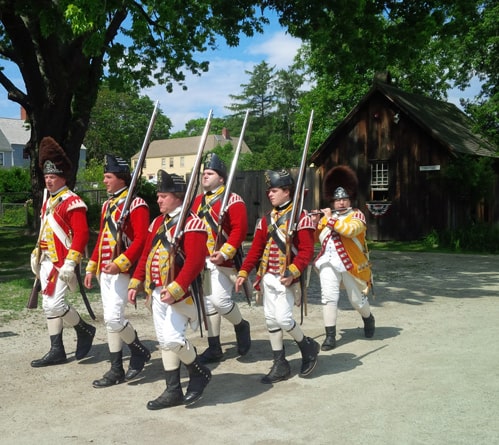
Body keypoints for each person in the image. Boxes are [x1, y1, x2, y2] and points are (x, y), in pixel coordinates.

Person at [128, 170, 211, 409]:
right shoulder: (157, 223)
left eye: (163, 195)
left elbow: (195, 261)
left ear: (177, 197)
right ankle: (172, 389)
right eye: (158, 195)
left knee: (174, 340)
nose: (159, 200)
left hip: (181, 294)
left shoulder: (193, 223)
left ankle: (199, 372)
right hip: (157, 292)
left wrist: (176, 288)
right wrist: (136, 281)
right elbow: (146, 254)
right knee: (165, 341)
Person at [235, 169, 319, 384]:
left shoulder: (301, 218)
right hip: (267, 277)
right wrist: (244, 272)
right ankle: (280, 363)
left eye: (273, 190)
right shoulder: (266, 220)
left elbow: (308, 251)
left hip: (287, 278)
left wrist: (293, 271)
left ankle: (306, 346)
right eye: (269, 191)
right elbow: (256, 249)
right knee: (271, 320)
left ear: (286, 191)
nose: (269, 194)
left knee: (283, 319)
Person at [84, 154, 151, 387]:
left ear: (121, 179)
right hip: (106, 270)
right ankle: (116, 368)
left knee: (113, 318)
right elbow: (103, 236)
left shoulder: (136, 203)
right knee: (111, 320)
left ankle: (138, 349)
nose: (104, 181)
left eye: (108, 176)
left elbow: (142, 240)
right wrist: (92, 266)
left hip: (124, 271)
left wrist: (121, 262)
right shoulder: (108, 204)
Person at [30, 136, 95, 367]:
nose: (48, 180)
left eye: (52, 177)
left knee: (56, 304)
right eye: (46, 177)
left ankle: (83, 328)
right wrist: (37, 252)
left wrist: (71, 262)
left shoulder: (72, 201)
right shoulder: (49, 201)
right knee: (49, 305)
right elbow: (45, 230)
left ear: (62, 178)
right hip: (47, 259)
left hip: (63, 261)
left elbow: (82, 234)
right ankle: (56, 349)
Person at [191, 153, 251, 363]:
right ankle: (214, 347)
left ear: (222, 178)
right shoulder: (197, 201)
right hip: (203, 263)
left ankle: (241, 325)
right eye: (204, 173)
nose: (204, 176)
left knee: (220, 301)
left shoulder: (233, 200)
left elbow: (239, 230)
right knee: (208, 303)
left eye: (210, 173)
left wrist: (225, 252)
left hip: (224, 262)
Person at [311, 165, 375, 351]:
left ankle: (368, 317)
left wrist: (329, 219)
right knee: (328, 297)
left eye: (345, 199)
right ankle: (330, 336)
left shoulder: (357, 215)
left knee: (356, 300)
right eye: (338, 200)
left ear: (350, 199)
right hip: (327, 262)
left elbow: (349, 231)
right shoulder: (326, 217)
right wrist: (315, 224)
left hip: (351, 264)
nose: (341, 203)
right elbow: (315, 239)